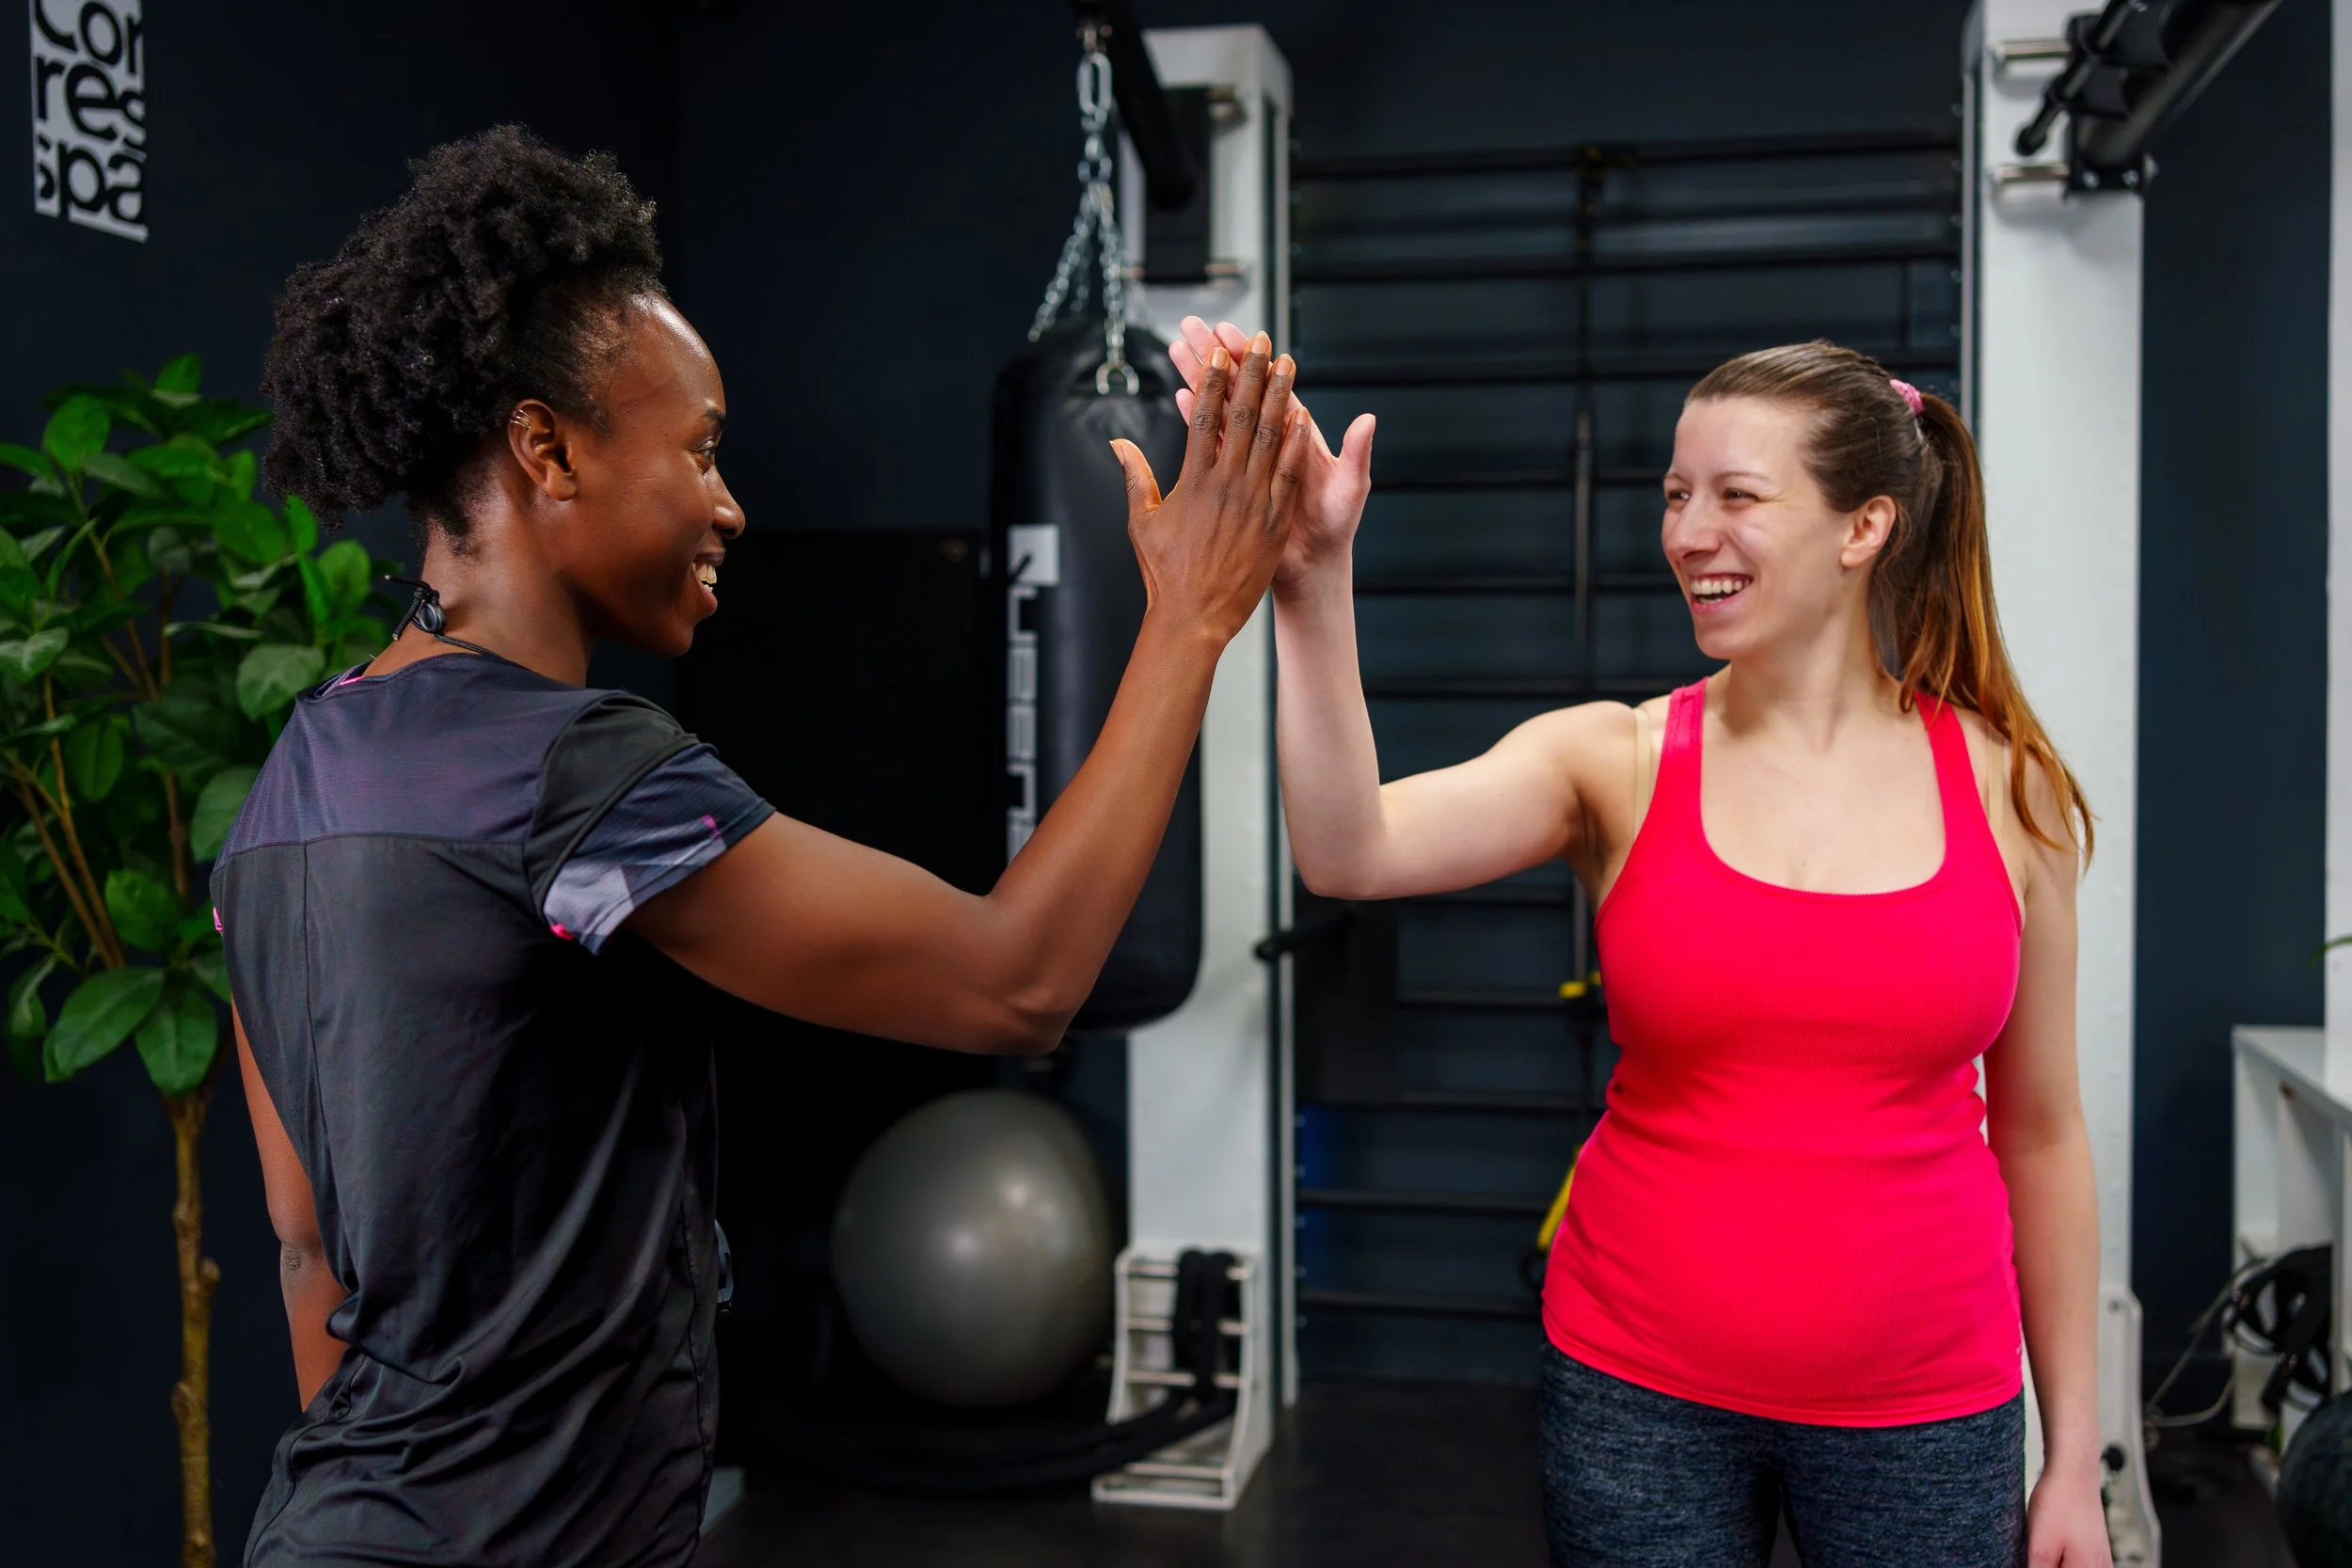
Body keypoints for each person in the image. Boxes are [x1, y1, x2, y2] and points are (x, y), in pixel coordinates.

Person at [217, 127, 1311, 1568]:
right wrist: (1189, 618)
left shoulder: (285, 789)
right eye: (701, 447)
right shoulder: (574, 775)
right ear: (546, 448)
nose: (730, 503)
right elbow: (1016, 980)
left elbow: (306, 1245)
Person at [1169, 319, 2111, 1568]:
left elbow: (2041, 1131)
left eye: (1736, 496)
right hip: (1640, 1392)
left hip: (1929, 1409)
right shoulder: (1610, 759)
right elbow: (1351, 851)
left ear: (1863, 527)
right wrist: (1311, 578)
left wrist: (2079, 1459)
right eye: (1675, 495)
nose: (1686, 534)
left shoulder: (2010, 793)